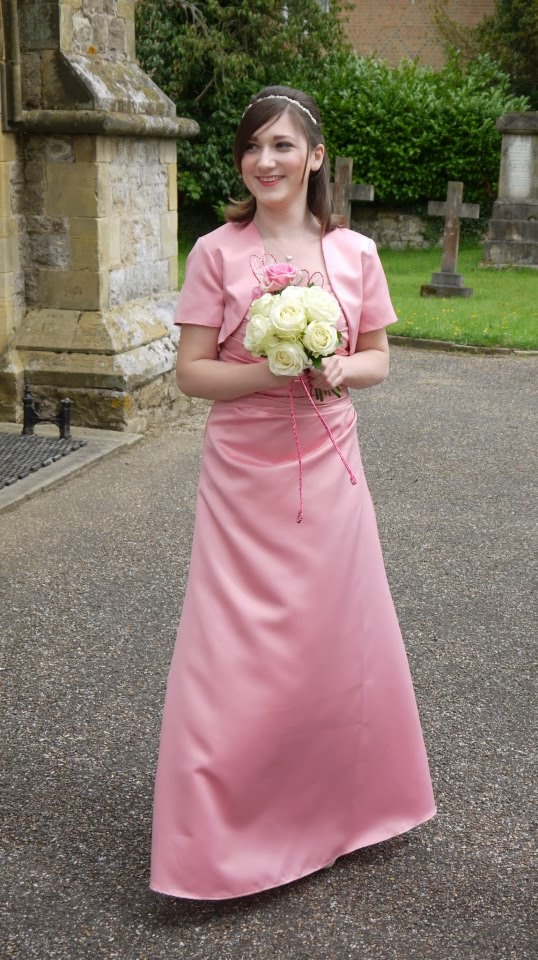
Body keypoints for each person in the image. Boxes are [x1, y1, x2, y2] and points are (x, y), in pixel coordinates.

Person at [150, 85, 436, 901]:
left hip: (331, 466)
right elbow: (192, 373)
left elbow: (378, 357)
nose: (264, 160)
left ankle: (341, 811)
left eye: (281, 145)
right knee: (233, 650)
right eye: (252, 146)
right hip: (245, 477)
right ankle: (224, 839)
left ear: (315, 157)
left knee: (336, 638)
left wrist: (340, 366)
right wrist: (267, 370)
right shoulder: (215, 251)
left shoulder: (356, 252)